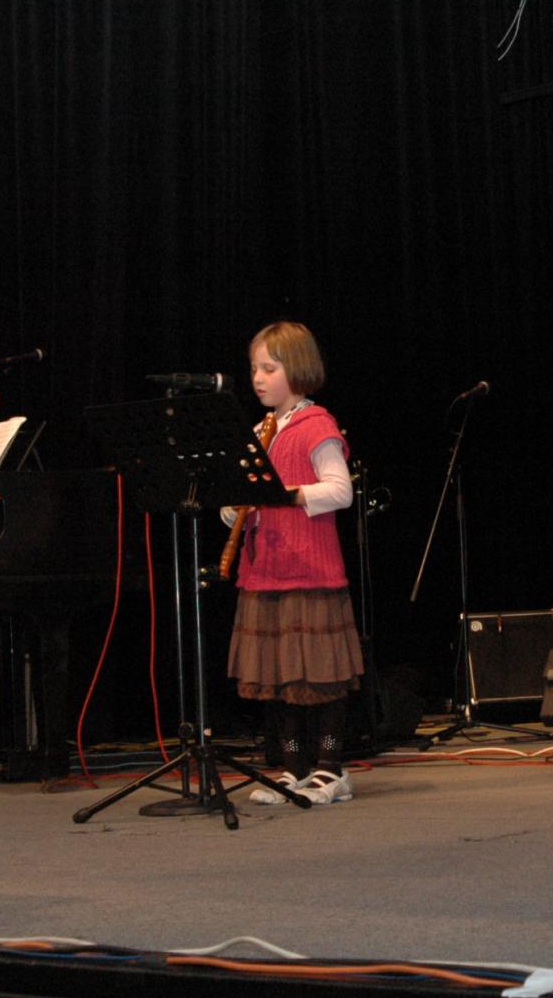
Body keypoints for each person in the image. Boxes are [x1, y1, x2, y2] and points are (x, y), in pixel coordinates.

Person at [221, 321, 363, 805]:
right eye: (254, 369)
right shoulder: (261, 432)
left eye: (269, 368)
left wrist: (283, 495)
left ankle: (330, 767)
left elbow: (340, 491)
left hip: (309, 569)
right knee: (280, 679)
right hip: (266, 571)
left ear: (297, 369)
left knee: (319, 676)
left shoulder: (316, 425)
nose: (257, 378)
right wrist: (233, 507)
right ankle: (293, 767)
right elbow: (248, 501)